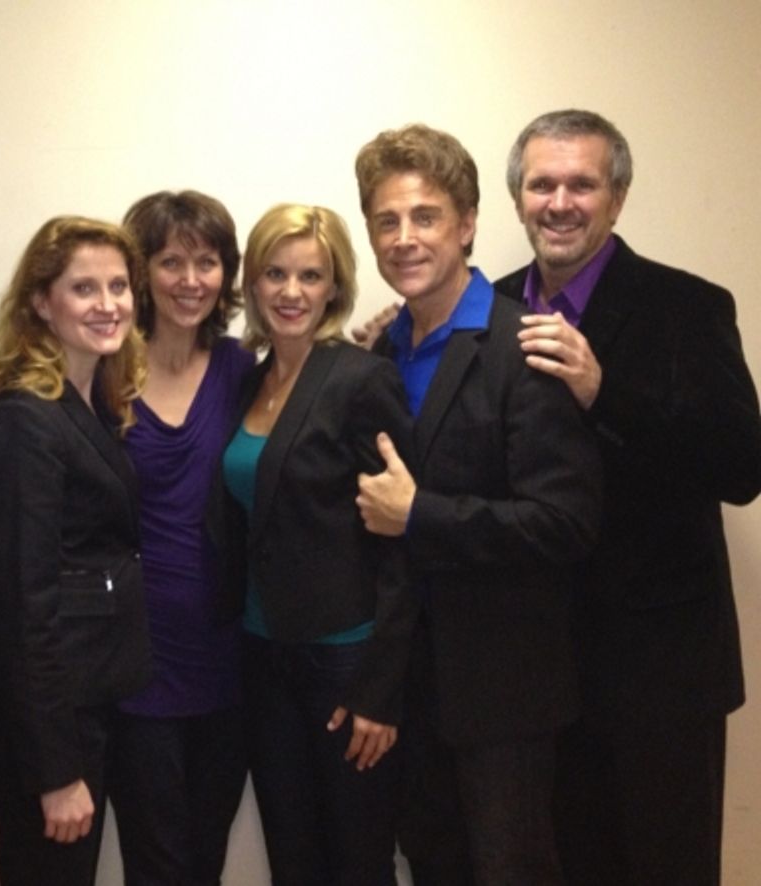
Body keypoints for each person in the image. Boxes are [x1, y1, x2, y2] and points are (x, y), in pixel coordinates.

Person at [496, 108, 761, 885]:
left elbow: (743, 466)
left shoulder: (690, 306)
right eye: (542, 183)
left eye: (583, 183)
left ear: (617, 198)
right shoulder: (492, 310)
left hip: (661, 677)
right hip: (536, 674)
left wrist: (603, 391)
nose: (560, 201)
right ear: (518, 200)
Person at [353, 123, 602, 884]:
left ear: (466, 224)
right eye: (386, 221)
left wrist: (419, 513)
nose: (404, 238)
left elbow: (564, 524)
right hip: (408, 690)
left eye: (425, 217)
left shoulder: (526, 347)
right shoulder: (378, 354)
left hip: (504, 699)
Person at [208, 203, 416, 885]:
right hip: (264, 656)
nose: (291, 292)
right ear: (251, 284)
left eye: (310, 275)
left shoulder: (359, 379)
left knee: (357, 860)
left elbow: (402, 542)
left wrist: (381, 691)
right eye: (275, 273)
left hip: (344, 662)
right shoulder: (248, 378)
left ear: (335, 286)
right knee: (293, 858)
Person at [0, 216, 153, 886]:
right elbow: (21, 607)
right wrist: (55, 771)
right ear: (42, 302)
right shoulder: (23, 419)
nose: (109, 305)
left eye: (119, 286)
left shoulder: (86, 401)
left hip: (85, 705)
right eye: (84, 288)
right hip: (50, 728)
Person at [109, 190, 253, 886]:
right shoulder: (102, 373)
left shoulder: (243, 371)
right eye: (171, 261)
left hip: (227, 658)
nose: (191, 280)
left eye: (208, 262)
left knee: (204, 859)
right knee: (155, 864)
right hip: (136, 663)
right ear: (140, 271)